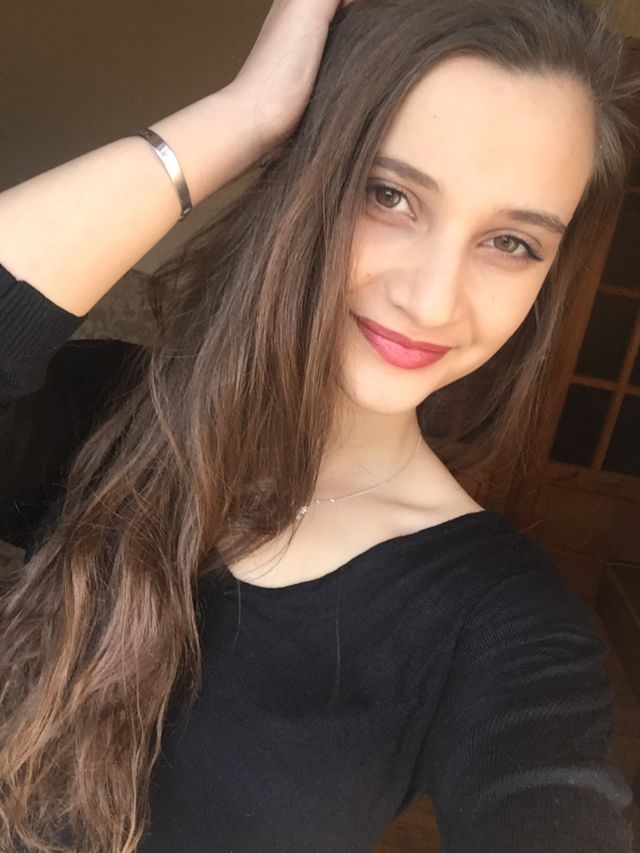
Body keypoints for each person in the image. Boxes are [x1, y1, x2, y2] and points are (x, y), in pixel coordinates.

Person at [0, 0, 639, 850]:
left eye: (511, 242)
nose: (432, 299)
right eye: (389, 194)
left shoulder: (503, 624)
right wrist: (247, 115)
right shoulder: (110, 413)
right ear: (307, 180)